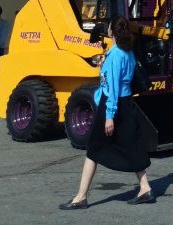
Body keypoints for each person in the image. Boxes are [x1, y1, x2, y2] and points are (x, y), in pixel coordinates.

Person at [60, 17, 156, 209]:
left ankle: (81, 197)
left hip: (113, 105)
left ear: (112, 31)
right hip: (127, 103)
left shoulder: (114, 56)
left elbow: (111, 87)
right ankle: (145, 187)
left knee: (93, 150)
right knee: (131, 146)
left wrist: (109, 115)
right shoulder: (128, 52)